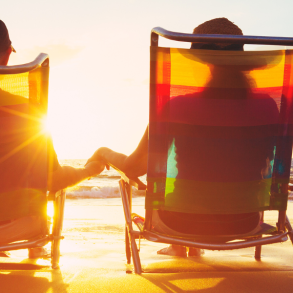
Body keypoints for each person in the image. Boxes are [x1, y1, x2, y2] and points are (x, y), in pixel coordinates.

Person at [87, 18, 279, 257]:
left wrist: (103, 152)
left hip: (179, 222)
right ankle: (186, 246)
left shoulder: (177, 106)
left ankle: (180, 243)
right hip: (245, 221)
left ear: (203, 63)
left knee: (180, 192)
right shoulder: (268, 107)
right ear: (241, 62)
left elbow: (134, 167)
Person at [0, 20, 106, 258]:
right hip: (10, 231)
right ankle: (32, 244)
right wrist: (88, 170)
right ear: (8, 53)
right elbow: (53, 179)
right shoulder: (26, 111)